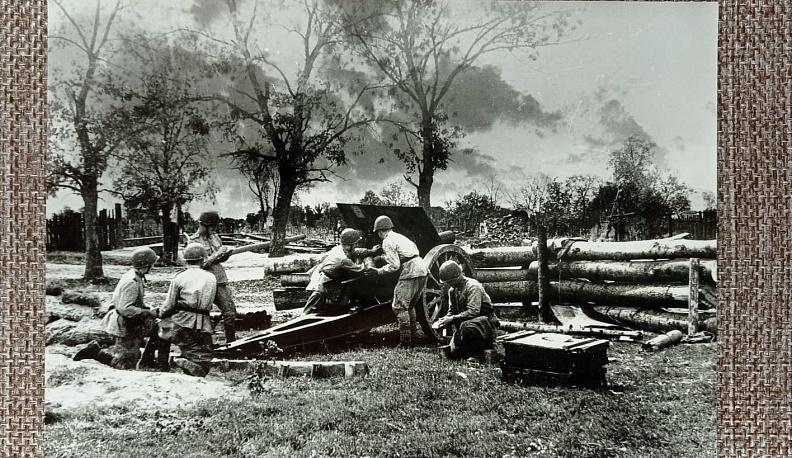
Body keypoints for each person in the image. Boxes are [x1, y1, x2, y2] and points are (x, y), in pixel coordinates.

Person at [73, 247, 161, 369]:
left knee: (156, 330)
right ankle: (96, 353)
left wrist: (146, 308)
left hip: (130, 322)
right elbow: (125, 309)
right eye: (152, 264)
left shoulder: (135, 276)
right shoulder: (132, 282)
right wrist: (148, 312)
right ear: (146, 265)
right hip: (125, 324)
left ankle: (147, 361)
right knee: (125, 364)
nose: (153, 267)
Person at [157, 242, 218, 377]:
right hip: (204, 324)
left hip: (183, 321)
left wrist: (161, 314)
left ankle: (162, 366)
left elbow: (169, 305)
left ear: (187, 261)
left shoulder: (180, 277)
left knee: (162, 331)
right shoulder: (211, 278)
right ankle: (191, 364)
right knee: (204, 355)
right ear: (202, 259)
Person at [371, 215, 428, 347]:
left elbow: (395, 266)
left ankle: (406, 342)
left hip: (410, 271)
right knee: (410, 306)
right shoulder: (400, 237)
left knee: (399, 306)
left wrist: (379, 271)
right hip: (421, 268)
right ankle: (414, 337)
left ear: (380, 231)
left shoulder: (387, 241)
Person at [432, 260, 499, 360]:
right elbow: (452, 311)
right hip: (466, 326)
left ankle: (478, 354)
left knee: (467, 327)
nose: (449, 285)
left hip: (486, 325)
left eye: (450, 282)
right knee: (455, 351)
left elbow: (474, 312)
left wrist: (452, 319)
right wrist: (444, 320)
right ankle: (468, 350)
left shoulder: (472, 286)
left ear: (457, 277)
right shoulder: (452, 290)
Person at [189, 210, 237, 343]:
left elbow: (219, 258)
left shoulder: (214, 237)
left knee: (230, 311)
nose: (214, 229)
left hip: (219, 279)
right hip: (204, 282)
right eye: (212, 226)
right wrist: (217, 254)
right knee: (202, 315)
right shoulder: (193, 242)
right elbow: (200, 264)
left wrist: (225, 254)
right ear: (203, 225)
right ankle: (204, 344)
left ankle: (231, 342)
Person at [303, 228, 372, 315]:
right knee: (308, 313)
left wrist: (371, 251)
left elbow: (357, 252)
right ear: (349, 245)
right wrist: (368, 265)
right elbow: (360, 270)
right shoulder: (343, 259)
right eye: (354, 245)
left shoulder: (339, 248)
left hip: (324, 279)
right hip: (323, 285)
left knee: (319, 308)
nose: (355, 247)